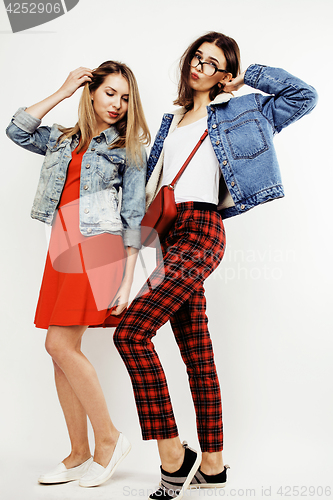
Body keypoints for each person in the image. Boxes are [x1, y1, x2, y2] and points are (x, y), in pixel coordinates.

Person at [113, 31, 318, 500]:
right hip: (169, 235)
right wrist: (129, 273)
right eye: (198, 58)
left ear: (224, 71)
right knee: (197, 354)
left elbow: (304, 96)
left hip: (204, 231)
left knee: (131, 334)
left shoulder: (245, 111)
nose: (202, 66)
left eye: (214, 62)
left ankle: (172, 455)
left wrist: (247, 80)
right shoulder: (170, 122)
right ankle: (213, 465)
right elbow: (148, 197)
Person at [6, 61, 150, 488]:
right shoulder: (63, 140)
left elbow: (133, 217)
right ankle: (77, 453)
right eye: (110, 93)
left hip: (96, 248)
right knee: (59, 351)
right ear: (92, 93)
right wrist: (64, 89)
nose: (117, 104)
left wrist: (127, 280)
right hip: (61, 248)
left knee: (58, 343)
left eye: (125, 98)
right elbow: (17, 129)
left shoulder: (128, 149)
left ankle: (108, 439)